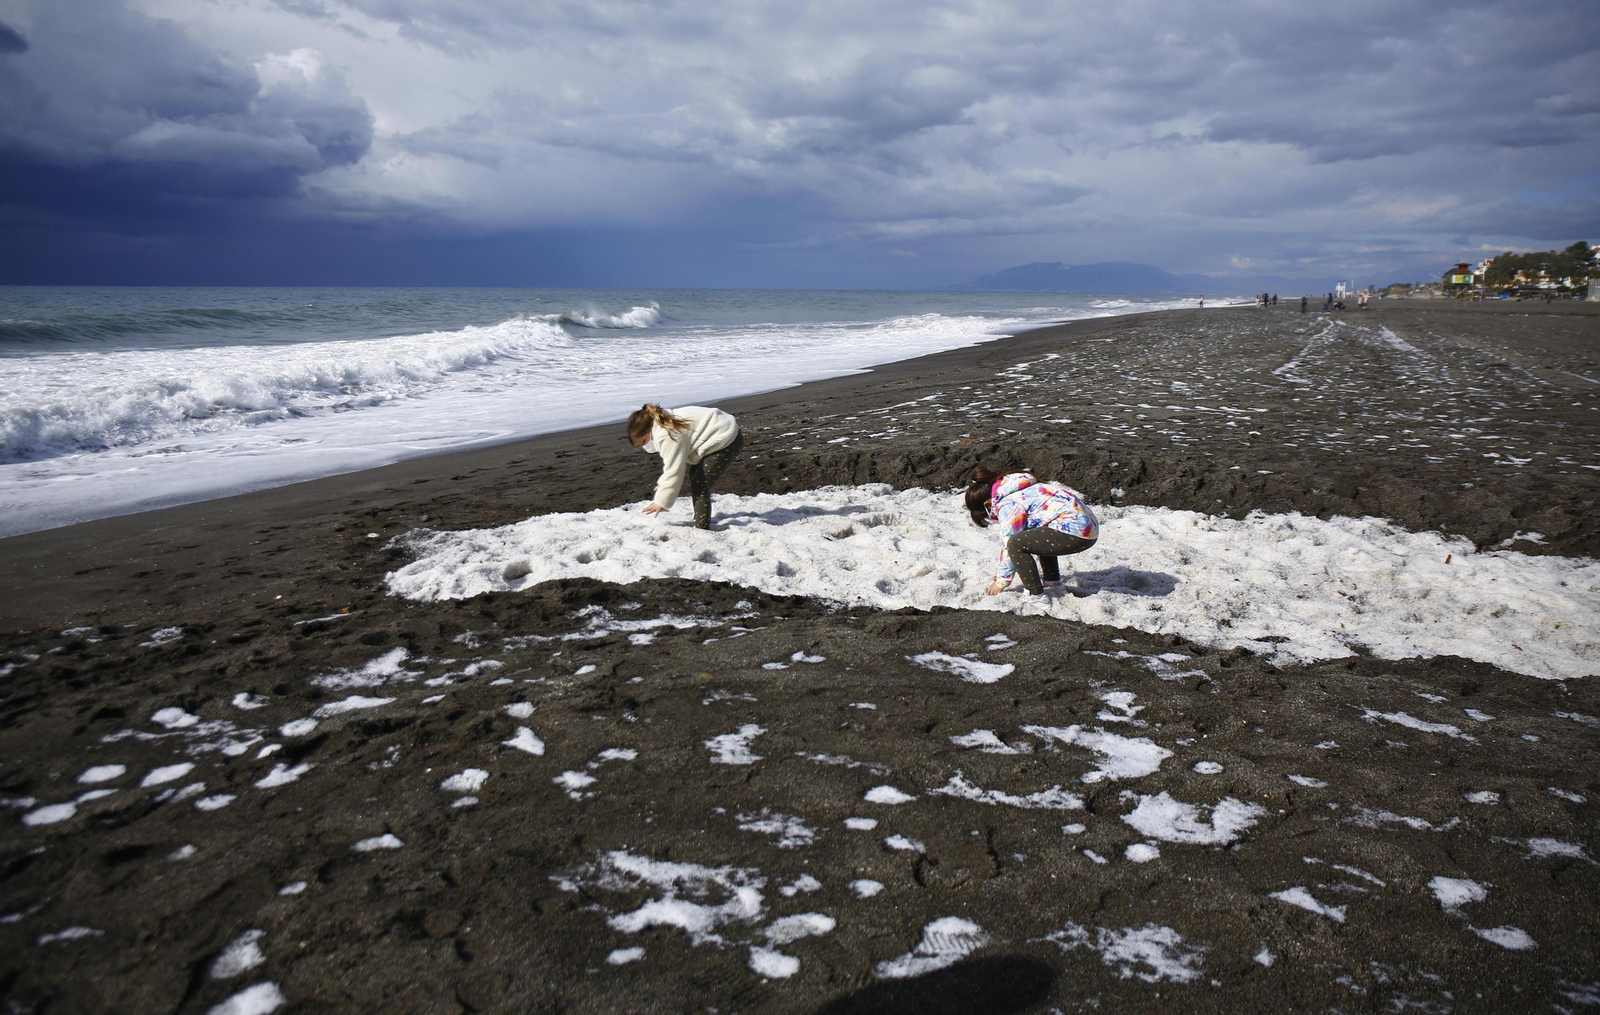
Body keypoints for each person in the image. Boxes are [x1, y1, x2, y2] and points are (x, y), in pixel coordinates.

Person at [964, 466, 1098, 596]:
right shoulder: (1018, 486)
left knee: (1015, 544)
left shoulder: (1008, 503)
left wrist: (1001, 581)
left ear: (987, 505)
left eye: (987, 515)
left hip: (1077, 534)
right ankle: (1053, 582)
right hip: (1089, 527)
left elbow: (1008, 543)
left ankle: (1035, 595)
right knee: (1037, 535)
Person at [626, 403, 744, 529]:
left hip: (726, 438)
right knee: (695, 475)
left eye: (644, 441)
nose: (645, 446)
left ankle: (702, 527)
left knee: (700, 483)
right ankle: (700, 517)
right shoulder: (661, 420)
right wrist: (664, 483)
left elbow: (675, 469)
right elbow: (672, 464)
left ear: (648, 430)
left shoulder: (666, 434)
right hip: (722, 431)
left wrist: (660, 502)